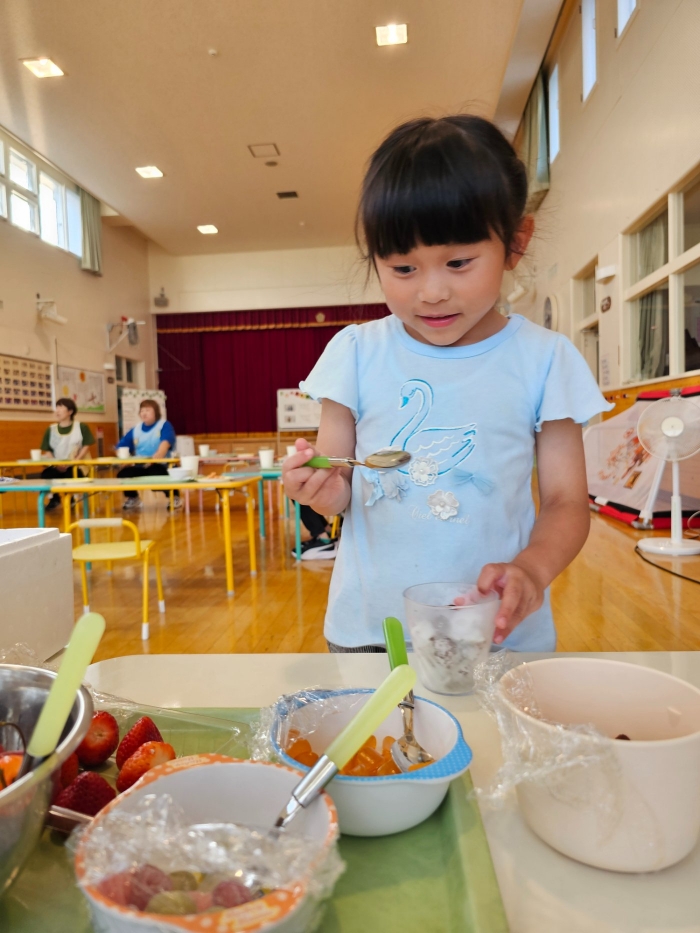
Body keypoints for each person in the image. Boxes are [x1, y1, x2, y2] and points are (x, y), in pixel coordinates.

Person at [283, 115, 612, 653]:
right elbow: (339, 485)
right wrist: (318, 489)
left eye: (458, 262)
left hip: (496, 633)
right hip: (374, 632)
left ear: (516, 243)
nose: (431, 292)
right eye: (403, 269)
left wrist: (531, 570)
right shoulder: (356, 352)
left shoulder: (545, 359)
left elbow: (565, 501)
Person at [116, 399, 182, 511]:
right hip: (140, 465)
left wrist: (159, 454)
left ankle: (174, 497)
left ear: (155, 412)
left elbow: (166, 443)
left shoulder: (164, 425)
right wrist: (123, 458)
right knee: (123, 474)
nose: (144, 413)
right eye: (142, 411)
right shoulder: (135, 429)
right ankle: (133, 498)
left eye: (147, 410)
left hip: (160, 465)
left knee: (157, 473)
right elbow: (121, 446)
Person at [40, 398, 95, 511]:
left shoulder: (81, 427)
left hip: (76, 466)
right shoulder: (51, 429)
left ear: (70, 411)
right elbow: (47, 450)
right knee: (46, 474)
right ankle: (54, 499)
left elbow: (86, 445)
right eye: (57, 407)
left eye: (61, 407)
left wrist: (76, 460)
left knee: (69, 474)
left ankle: (70, 500)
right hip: (57, 466)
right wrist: (56, 464)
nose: (57, 410)